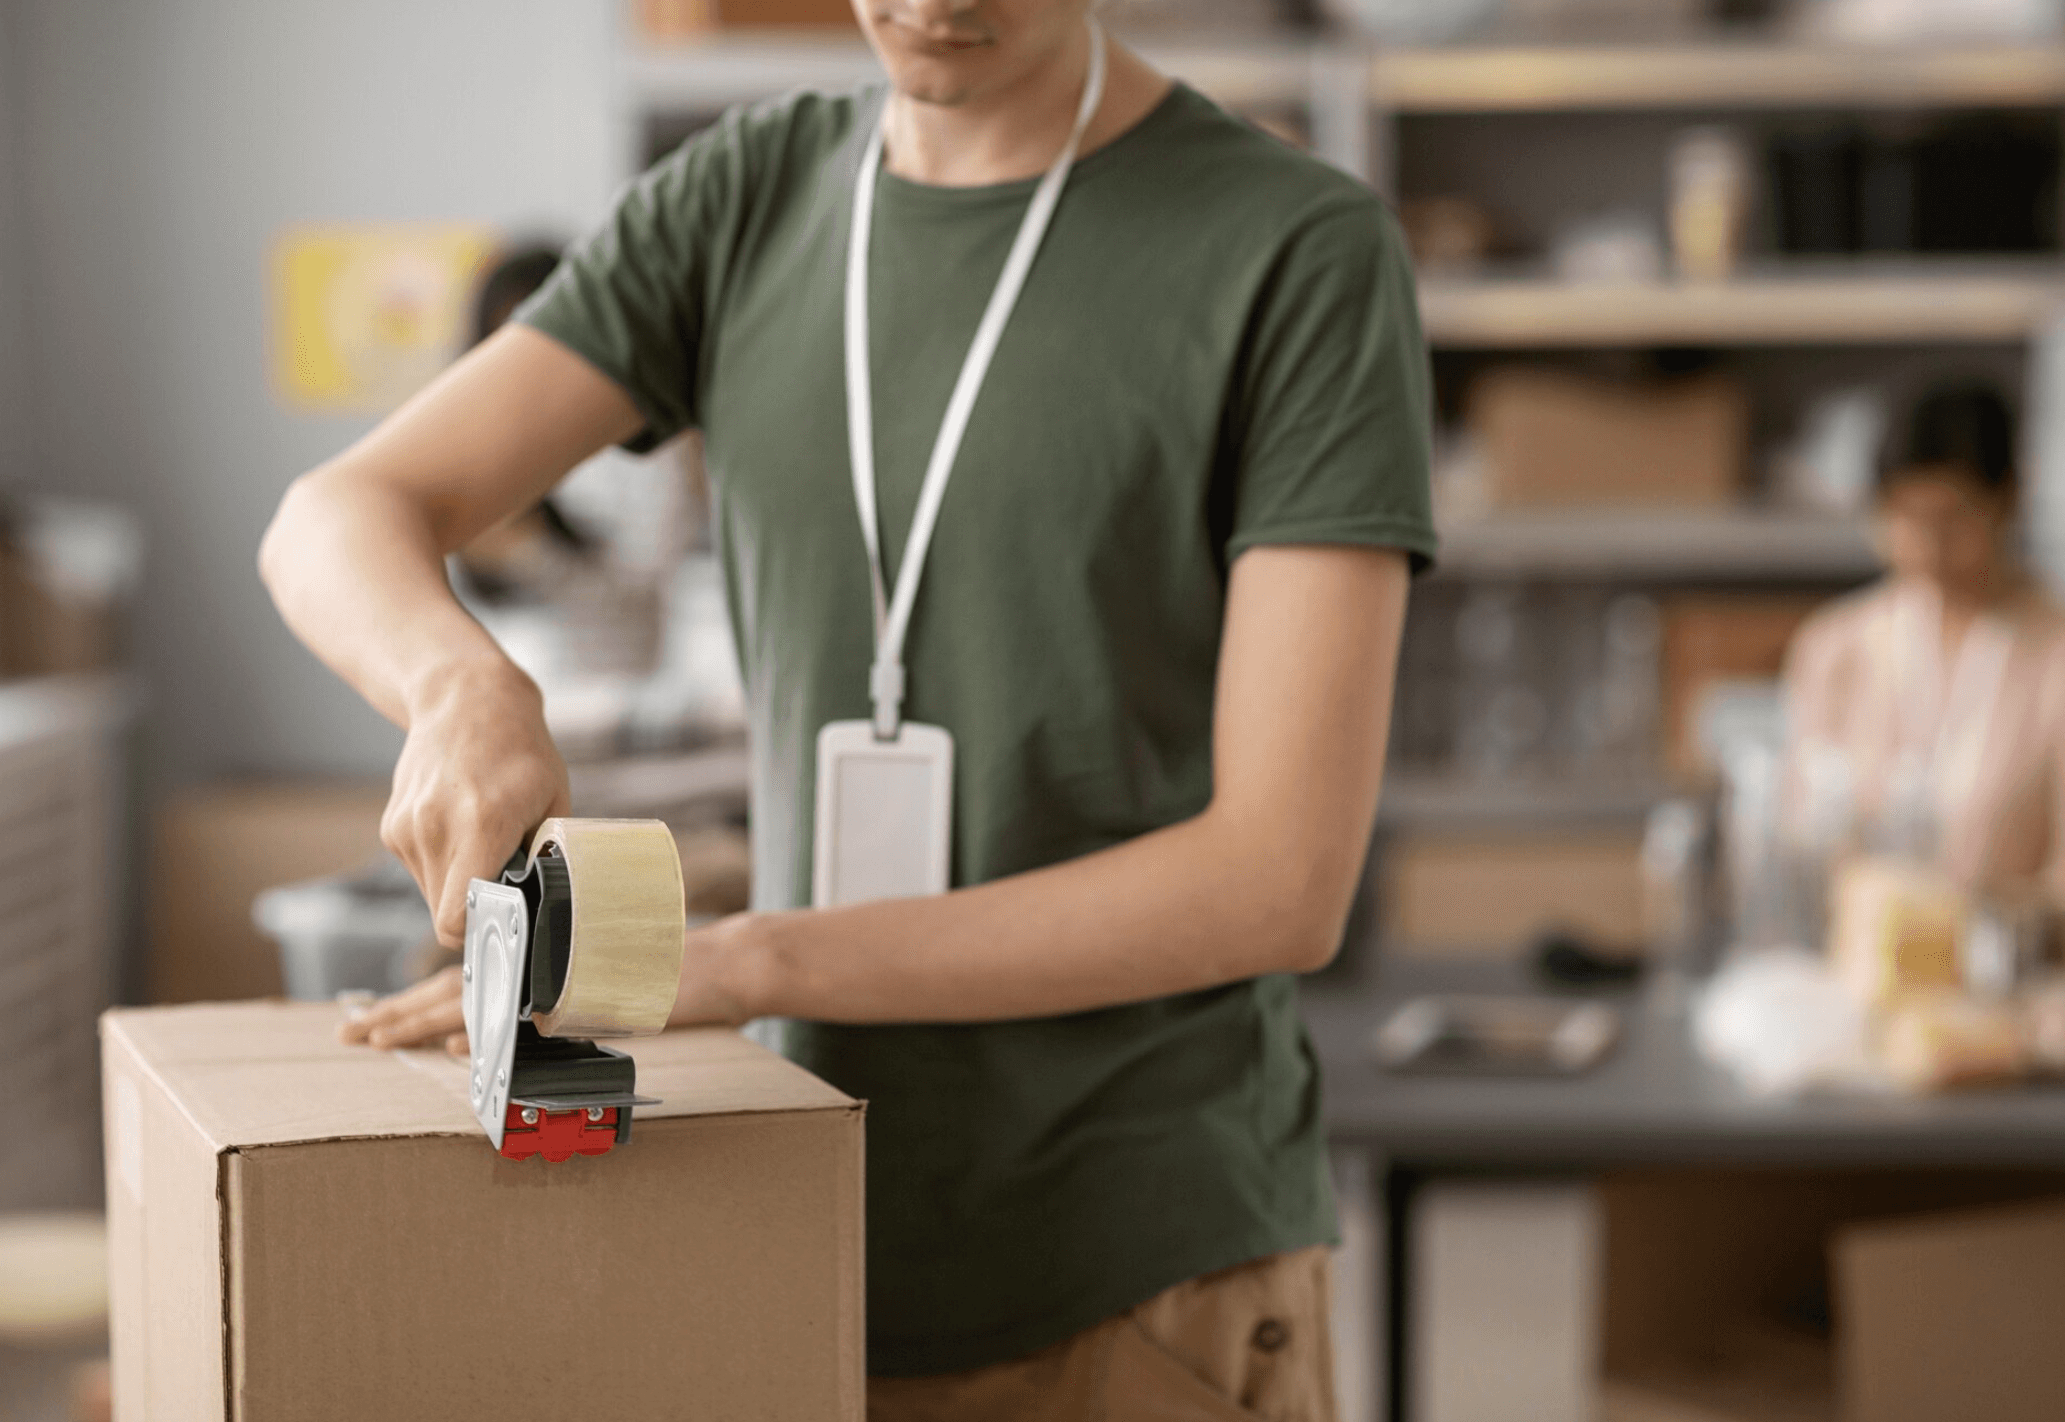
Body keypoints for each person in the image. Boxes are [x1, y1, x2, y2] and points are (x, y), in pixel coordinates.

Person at [257, 0, 1435, 1416]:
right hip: (799, 1225)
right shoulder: (744, 198)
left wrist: (754, 961)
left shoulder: (1294, 248)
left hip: (1142, 1266)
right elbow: (336, 514)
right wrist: (458, 683)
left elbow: (1279, 881)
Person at [1783, 382, 2065, 902]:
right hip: (1859, 958)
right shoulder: (1834, 647)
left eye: (1954, 517)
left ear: (2009, 500)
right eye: (1907, 517)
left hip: (2014, 963)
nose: (1930, 546)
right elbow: (1803, 834)